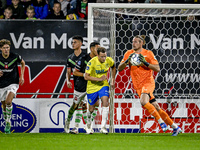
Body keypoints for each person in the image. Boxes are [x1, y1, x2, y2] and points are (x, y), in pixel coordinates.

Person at [118, 35, 182, 136]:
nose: (133, 43)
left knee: (143, 101)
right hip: (138, 86)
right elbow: (119, 68)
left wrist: (145, 63)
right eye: (133, 41)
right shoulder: (129, 53)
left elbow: (157, 68)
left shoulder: (148, 53)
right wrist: (126, 61)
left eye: (136, 42)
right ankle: (175, 127)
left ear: (141, 43)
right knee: (156, 106)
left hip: (148, 82)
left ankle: (161, 122)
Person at [68, 41, 100, 134]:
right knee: (78, 105)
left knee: (95, 104)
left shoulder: (99, 60)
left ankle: (87, 126)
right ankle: (75, 126)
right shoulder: (83, 59)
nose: (98, 50)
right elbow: (75, 72)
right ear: (91, 49)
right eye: (97, 48)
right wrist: (85, 75)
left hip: (92, 85)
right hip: (81, 85)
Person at [84, 47, 116, 134]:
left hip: (103, 85)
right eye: (102, 57)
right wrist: (99, 79)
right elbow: (86, 77)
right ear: (97, 55)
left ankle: (103, 127)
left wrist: (112, 79)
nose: (104, 59)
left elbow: (113, 67)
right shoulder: (92, 62)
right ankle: (88, 125)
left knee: (105, 102)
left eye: (105, 56)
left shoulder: (108, 60)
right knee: (91, 109)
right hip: (92, 87)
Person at [0, 39, 25, 134]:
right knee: (3, 105)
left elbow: (23, 63)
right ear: (1, 49)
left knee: (8, 101)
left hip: (13, 82)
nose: (6, 49)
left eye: (8, 47)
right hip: (1, 84)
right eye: (4, 48)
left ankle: (8, 123)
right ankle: (6, 121)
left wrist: (22, 75)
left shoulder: (15, 56)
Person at [64, 35, 87, 133]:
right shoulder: (70, 58)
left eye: (75, 42)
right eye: (72, 42)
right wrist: (68, 80)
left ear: (81, 44)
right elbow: (68, 71)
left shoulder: (85, 56)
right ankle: (68, 120)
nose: (73, 44)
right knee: (75, 105)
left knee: (84, 104)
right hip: (77, 84)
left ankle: (78, 127)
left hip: (87, 83)